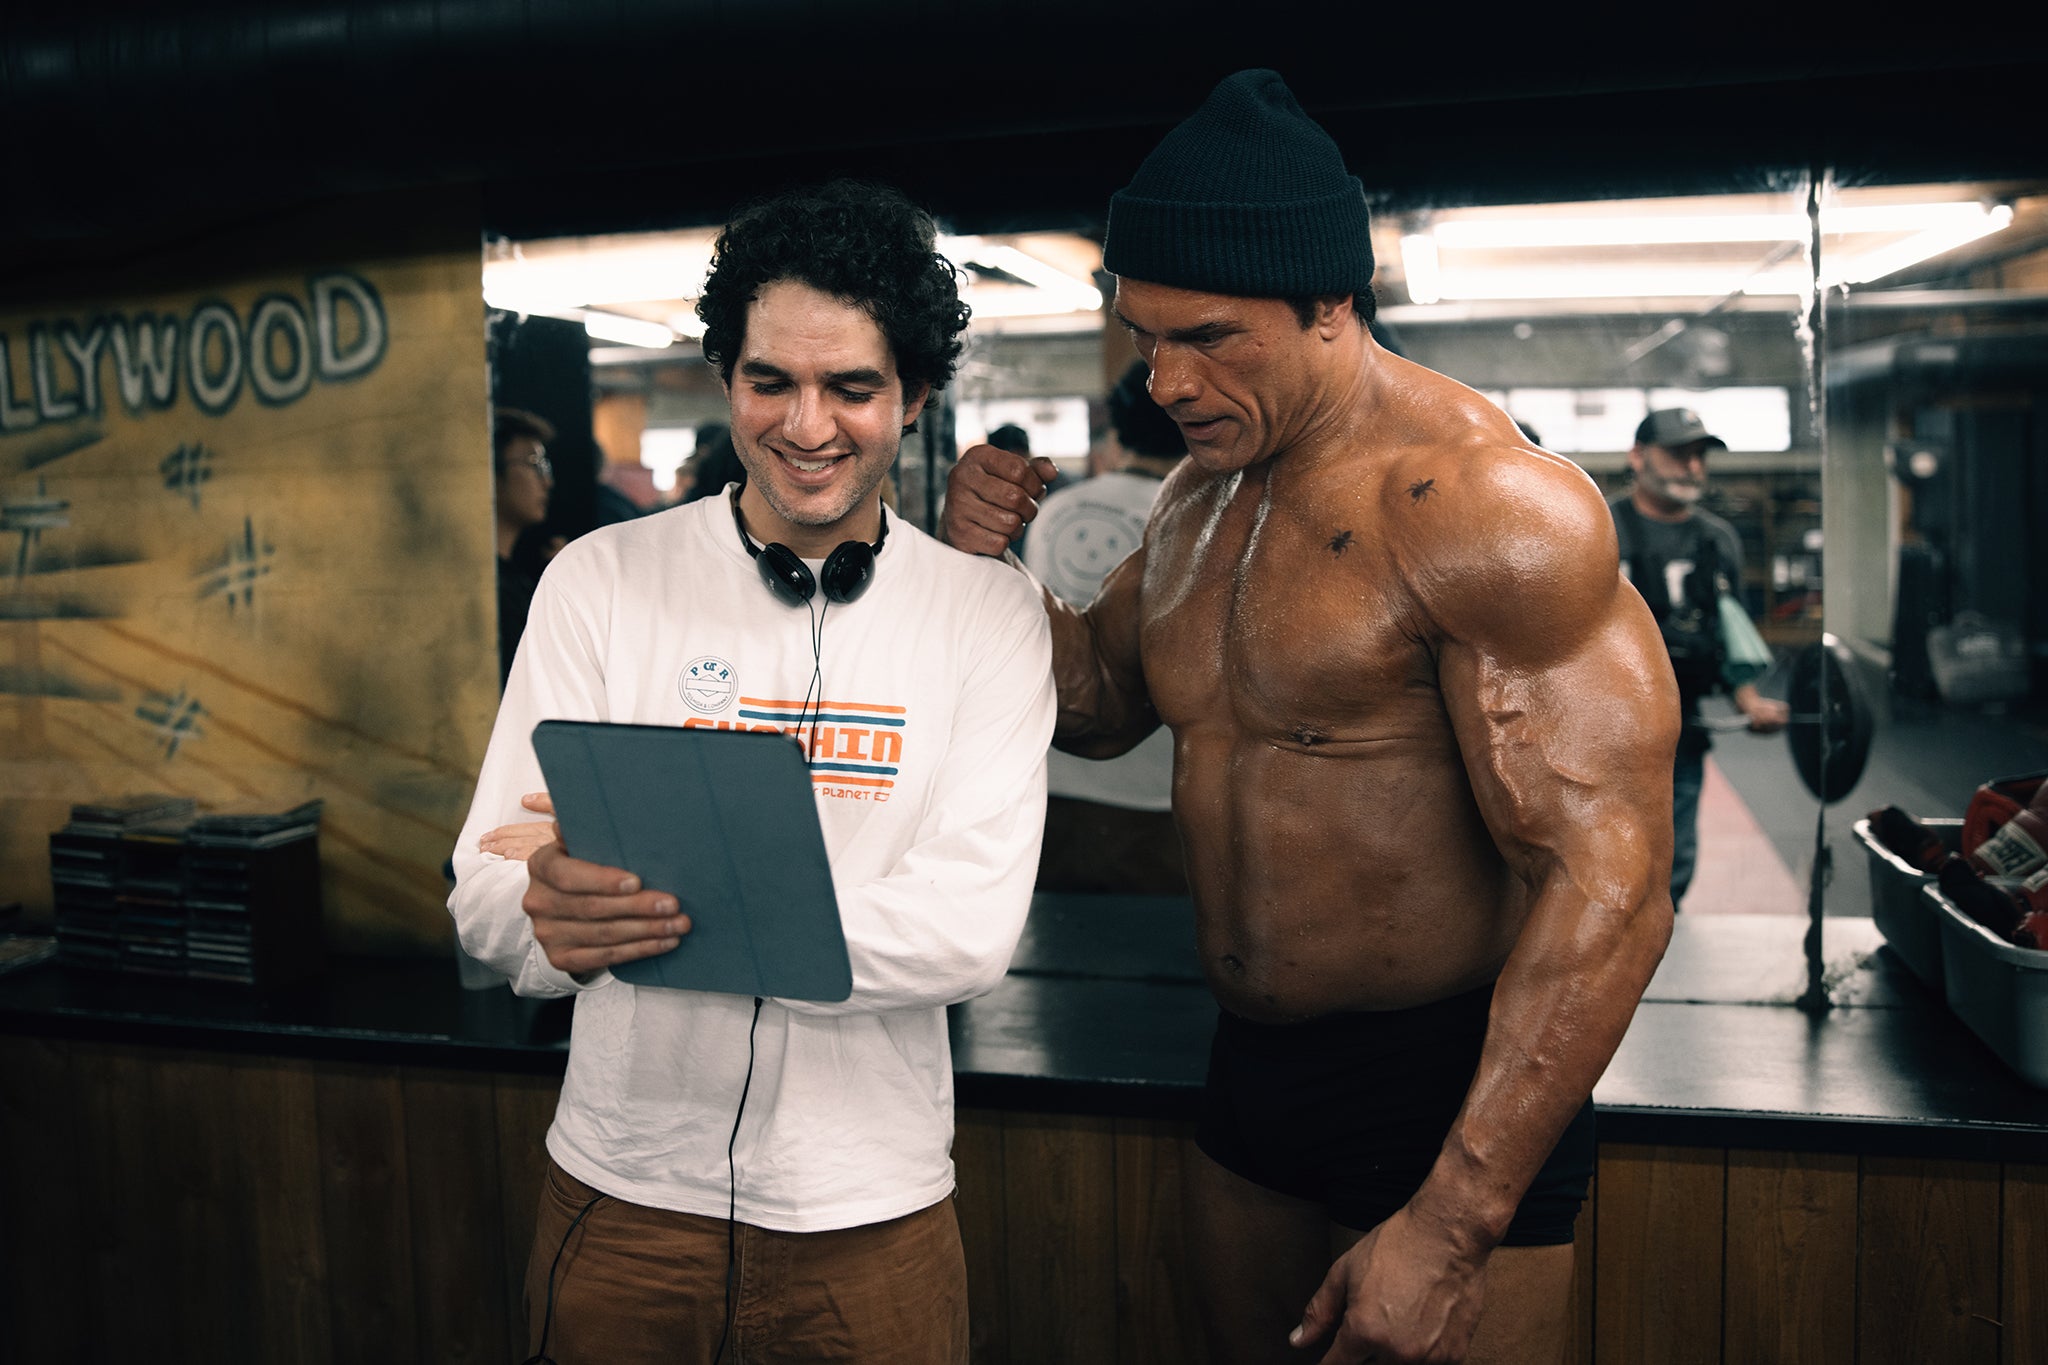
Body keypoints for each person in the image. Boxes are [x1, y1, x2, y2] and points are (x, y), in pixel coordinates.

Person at [941, 70, 1678, 1365]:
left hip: (1452, 1081)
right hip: (1253, 1069)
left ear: (1333, 305)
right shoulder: (1195, 499)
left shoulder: (1481, 506)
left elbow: (1608, 884)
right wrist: (983, 568)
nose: (1165, 379)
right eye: (1144, 335)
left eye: (1212, 336)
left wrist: (1452, 1223)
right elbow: (1103, 706)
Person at [449, 179, 1056, 1365]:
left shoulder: (989, 617)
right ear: (725, 378)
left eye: (852, 387)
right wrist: (546, 921)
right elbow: (484, 893)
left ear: (915, 396)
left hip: (867, 1214)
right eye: (769, 380)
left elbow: (965, 934)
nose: (806, 424)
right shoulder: (598, 581)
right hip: (622, 1195)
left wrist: (642, 910)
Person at [1613, 407, 1790, 907]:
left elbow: (1730, 629)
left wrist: (1748, 698)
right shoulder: (1600, 522)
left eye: (1699, 456)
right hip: (1602, 722)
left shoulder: (1717, 539)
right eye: (1677, 455)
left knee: (1672, 858)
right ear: (1637, 456)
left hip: (1681, 725)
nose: (1692, 468)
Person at [1024, 359, 1188, 893]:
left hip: (1058, 777)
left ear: (1117, 431)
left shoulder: (1056, 509)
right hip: (1162, 790)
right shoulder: (1197, 521)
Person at [493, 406, 557, 687]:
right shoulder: (486, 591)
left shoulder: (517, 579)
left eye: (545, 466)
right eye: (535, 465)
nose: (547, 481)